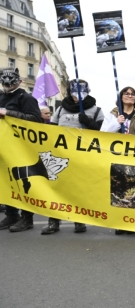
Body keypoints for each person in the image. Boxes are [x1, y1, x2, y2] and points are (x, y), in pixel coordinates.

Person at [41, 79, 104, 235]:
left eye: (81, 92)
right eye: (75, 92)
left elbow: (104, 134)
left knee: (79, 189)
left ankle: (79, 221)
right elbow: (52, 130)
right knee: (56, 188)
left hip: (83, 158)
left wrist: (89, 122)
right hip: (60, 156)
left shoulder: (96, 110)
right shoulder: (61, 109)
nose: (78, 96)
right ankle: (53, 221)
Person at [101, 87, 135, 235]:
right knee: (119, 189)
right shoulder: (113, 114)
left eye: (132, 94)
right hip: (117, 158)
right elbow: (103, 133)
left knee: (133, 187)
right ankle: (120, 222)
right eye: (126, 93)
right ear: (121, 97)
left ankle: (133, 222)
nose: (130, 96)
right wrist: (116, 123)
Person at [0, 68, 43, 232]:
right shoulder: (1, 96)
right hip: (4, 146)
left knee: (22, 182)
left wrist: (8, 113)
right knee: (5, 182)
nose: (7, 85)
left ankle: (27, 217)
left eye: (10, 82)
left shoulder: (26, 98)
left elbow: (35, 119)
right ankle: (12, 215)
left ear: (19, 81)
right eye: (4, 82)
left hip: (20, 148)